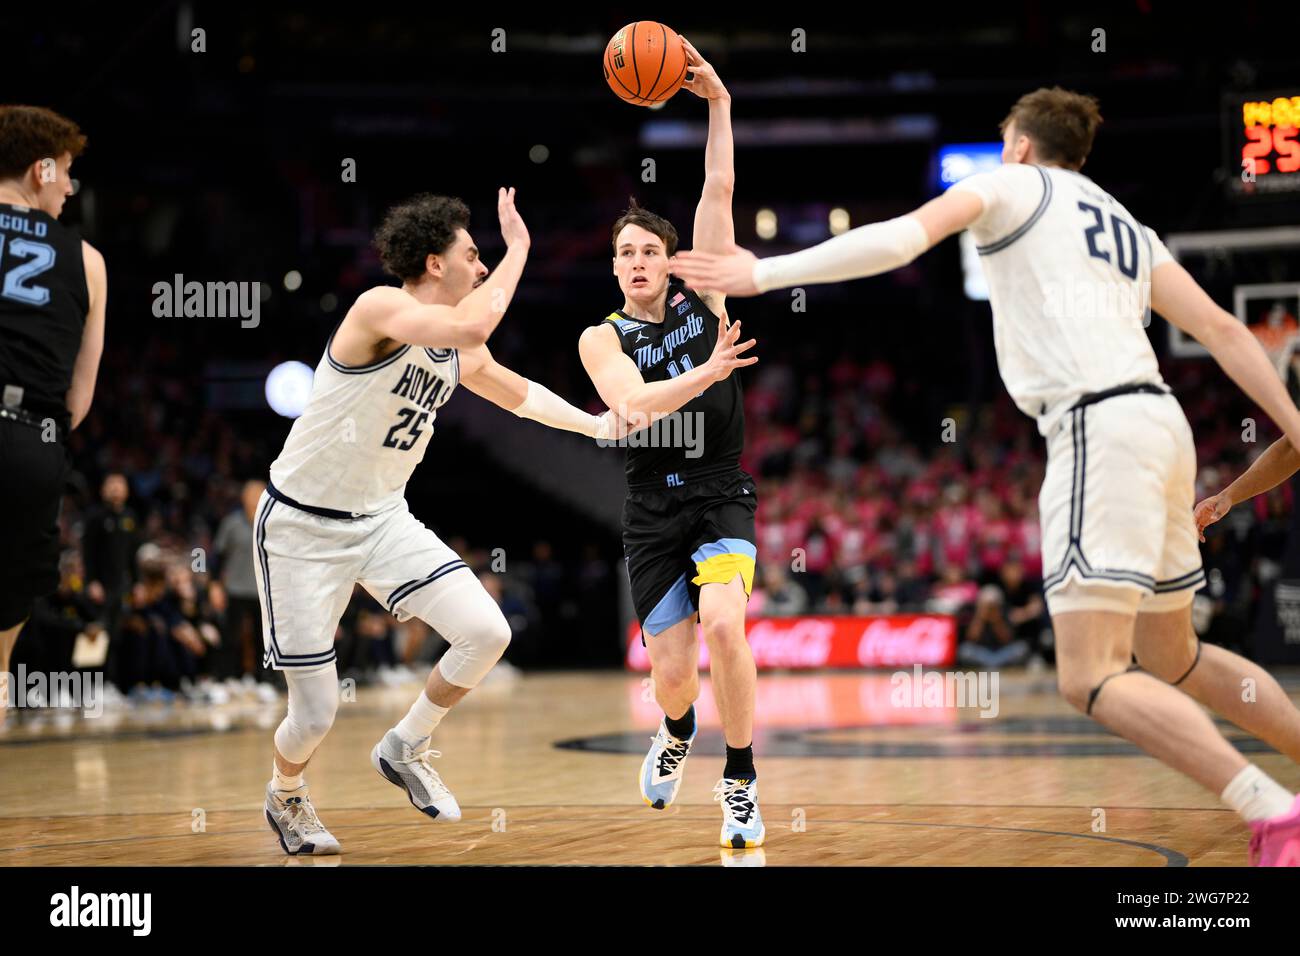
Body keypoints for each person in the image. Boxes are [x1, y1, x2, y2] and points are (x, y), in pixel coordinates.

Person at [673, 86, 1300, 866]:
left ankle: (1272, 810)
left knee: (1090, 677)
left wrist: (763, 274)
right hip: (1164, 426)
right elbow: (1224, 329)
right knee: (1176, 659)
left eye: (1005, 140)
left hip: (1095, 425)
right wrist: (1296, 425)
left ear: (1021, 145)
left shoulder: (1009, 182)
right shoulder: (1126, 227)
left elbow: (903, 239)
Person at [257, 188, 626, 856]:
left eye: (488, 257)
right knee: (315, 712)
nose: (483, 269)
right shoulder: (381, 308)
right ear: (434, 262)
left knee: (487, 631)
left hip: (381, 520)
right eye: (473, 256)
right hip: (301, 529)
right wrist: (520, 251)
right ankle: (286, 794)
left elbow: (518, 395)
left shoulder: (455, 350)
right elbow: (474, 328)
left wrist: (596, 424)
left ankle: (405, 744)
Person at [577, 38, 765, 848]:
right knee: (674, 677)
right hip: (650, 505)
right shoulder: (599, 337)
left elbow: (717, 186)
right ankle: (679, 730)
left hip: (720, 488)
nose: (639, 260)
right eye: (626, 252)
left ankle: (741, 780)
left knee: (728, 625)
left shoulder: (704, 295)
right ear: (616, 270)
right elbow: (630, 406)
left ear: (669, 262)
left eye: (651, 249)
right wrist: (708, 373)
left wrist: (717, 101)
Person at [0, 106, 106, 715]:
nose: (69, 187)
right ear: (41, 169)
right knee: (12, 597)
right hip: (29, 440)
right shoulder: (87, 259)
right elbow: (78, 397)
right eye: (65, 172)